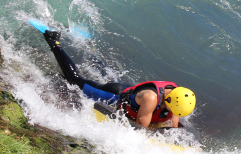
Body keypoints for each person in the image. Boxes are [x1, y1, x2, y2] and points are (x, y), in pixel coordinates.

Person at [43, 29, 196, 128]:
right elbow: (140, 129)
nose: (173, 113)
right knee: (75, 80)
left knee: (101, 73)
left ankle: (87, 46)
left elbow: (173, 124)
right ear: (169, 100)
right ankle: (54, 41)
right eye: (173, 110)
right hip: (115, 95)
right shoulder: (151, 98)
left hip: (132, 94)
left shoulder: (178, 97)